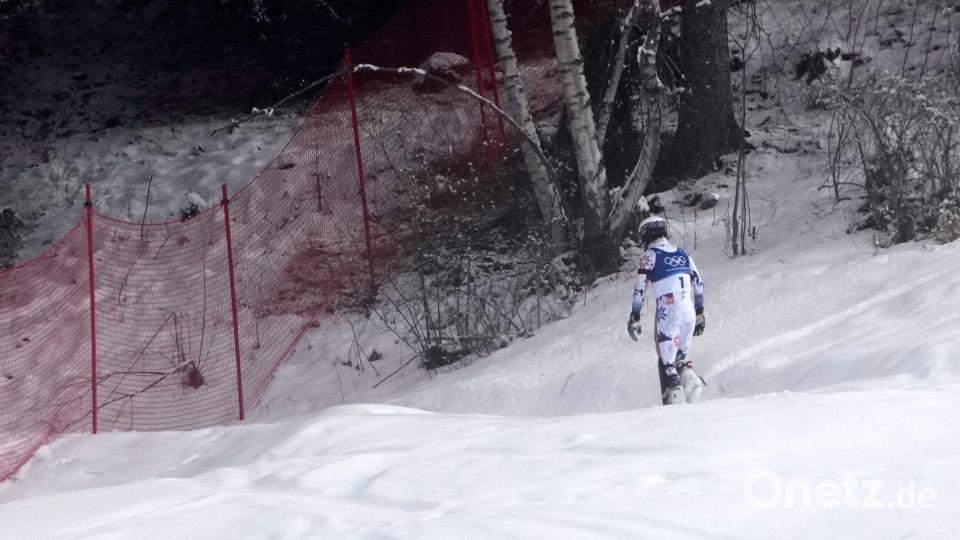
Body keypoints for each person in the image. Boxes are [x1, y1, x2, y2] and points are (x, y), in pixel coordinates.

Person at [627, 216, 706, 405]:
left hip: (668, 311)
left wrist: (634, 317)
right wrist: (700, 312)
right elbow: (699, 283)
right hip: (688, 311)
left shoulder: (649, 256)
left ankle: (674, 399)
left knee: (666, 361)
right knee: (680, 358)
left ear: (645, 235)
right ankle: (691, 381)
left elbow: (640, 289)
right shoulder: (683, 253)